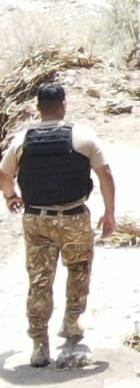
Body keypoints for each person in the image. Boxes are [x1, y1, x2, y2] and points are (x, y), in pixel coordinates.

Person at [1, 81, 116, 369]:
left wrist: (11, 196)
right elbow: (105, 175)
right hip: (74, 216)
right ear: (63, 105)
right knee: (78, 271)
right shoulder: (81, 136)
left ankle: (39, 345)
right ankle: (72, 324)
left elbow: (4, 174)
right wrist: (109, 213)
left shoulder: (22, 140)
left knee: (39, 281)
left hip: (36, 219)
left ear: (38, 108)